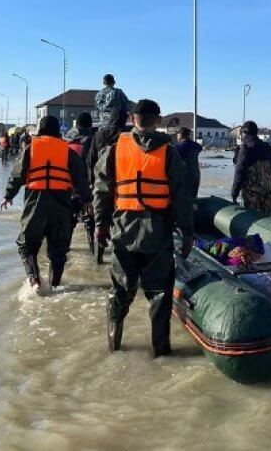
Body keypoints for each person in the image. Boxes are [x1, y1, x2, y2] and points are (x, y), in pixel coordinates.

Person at [93, 99, 194, 355]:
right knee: (159, 293)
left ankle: (113, 346)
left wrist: (100, 226)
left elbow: (102, 191)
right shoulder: (170, 153)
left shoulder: (114, 150)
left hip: (122, 230)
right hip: (157, 232)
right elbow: (182, 197)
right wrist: (188, 232)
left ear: (131, 118)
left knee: (119, 290)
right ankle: (161, 352)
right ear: (158, 121)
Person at [0, 115, 90, 290]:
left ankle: (35, 281)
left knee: (27, 245)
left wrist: (8, 196)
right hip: (61, 204)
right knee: (58, 250)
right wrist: (87, 200)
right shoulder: (67, 151)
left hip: (36, 203)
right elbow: (80, 178)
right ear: (58, 130)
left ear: (40, 129)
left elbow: (17, 175)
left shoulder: (30, 149)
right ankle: (55, 285)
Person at [66, 112, 99, 251]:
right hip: (87, 184)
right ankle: (93, 248)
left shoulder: (66, 139)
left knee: (69, 221)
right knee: (90, 217)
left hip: (67, 185)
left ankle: (65, 246)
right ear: (90, 124)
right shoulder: (92, 139)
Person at [232, 120, 271, 214]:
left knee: (254, 221)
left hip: (252, 195)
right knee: (268, 221)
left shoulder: (245, 148)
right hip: (267, 193)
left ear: (244, 133)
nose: (241, 137)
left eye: (241, 134)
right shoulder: (267, 147)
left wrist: (234, 194)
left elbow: (239, 173)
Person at [173, 127, 202, 204]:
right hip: (195, 174)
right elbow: (200, 148)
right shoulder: (196, 146)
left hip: (183, 176)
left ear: (181, 135)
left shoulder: (177, 147)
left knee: (182, 200)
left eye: (177, 134)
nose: (176, 136)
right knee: (193, 198)